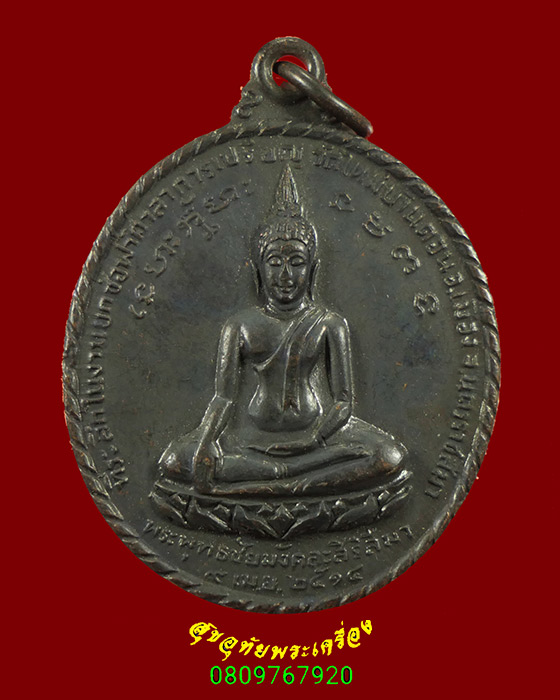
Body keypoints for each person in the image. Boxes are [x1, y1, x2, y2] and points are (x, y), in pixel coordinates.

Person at [158, 165, 406, 497]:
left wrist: (315, 440)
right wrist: (206, 441)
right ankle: (289, 478)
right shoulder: (240, 325)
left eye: (296, 262)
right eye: (275, 262)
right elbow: (224, 397)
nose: (285, 275)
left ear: (313, 269)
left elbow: (344, 401)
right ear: (258, 270)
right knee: (175, 459)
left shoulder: (329, 322)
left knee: (389, 455)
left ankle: (279, 478)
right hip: (250, 437)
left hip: (318, 435)